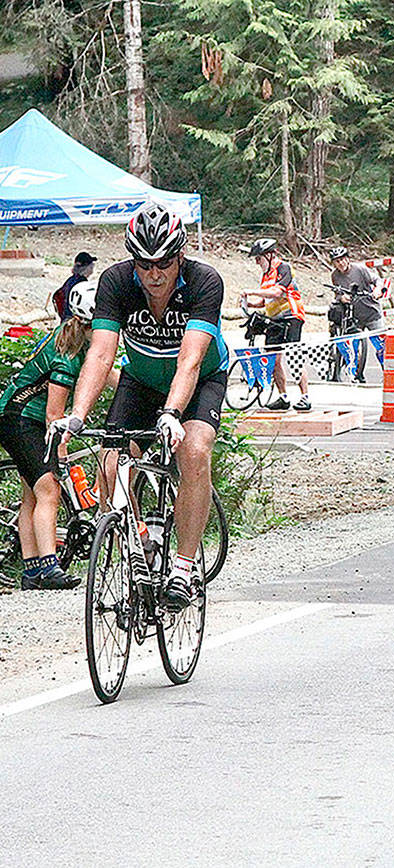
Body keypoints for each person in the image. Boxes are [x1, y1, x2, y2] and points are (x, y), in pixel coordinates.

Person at [49, 200, 229, 612]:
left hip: (199, 380)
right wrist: (75, 416)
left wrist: (172, 414)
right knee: (110, 464)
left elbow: (191, 360)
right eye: (144, 262)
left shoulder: (205, 282)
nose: (154, 272)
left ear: (180, 254)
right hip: (143, 380)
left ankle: (183, 567)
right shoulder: (116, 283)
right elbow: (99, 356)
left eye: (163, 261)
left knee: (195, 451)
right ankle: (141, 541)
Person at [0, 282, 105, 590]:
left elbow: (106, 372)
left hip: (20, 417)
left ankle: (31, 571)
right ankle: (49, 567)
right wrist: (59, 449)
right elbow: (54, 415)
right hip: (19, 419)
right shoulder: (67, 353)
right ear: (92, 322)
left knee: (32, 495)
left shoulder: (81, 340)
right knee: (49, 490)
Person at [243, 238, 310, 411]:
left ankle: (305, 396)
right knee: (272, 357)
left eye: (259, 258)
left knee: (294, 356)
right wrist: (250, 303)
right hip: (274, 318)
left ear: (271, 255)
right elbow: (266, 300)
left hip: (292, 315)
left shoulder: (283, 268)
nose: (257, 262)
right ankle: (283, 396)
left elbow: (277, 291)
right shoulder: (265, 275)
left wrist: (252, 291)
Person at [328, 246, 384, 382]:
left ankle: (388, 372)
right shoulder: (335, 275)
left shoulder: (359, 269)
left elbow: (377, 280)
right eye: (337, 261)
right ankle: (356, 373)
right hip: (353, 315)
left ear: (347, 259)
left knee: (381, 345)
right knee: (353, 346)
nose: (340, 263)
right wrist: (341, 298)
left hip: (371, 311)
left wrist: (377, 290)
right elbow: (337, 293)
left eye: (342, 260)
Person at [50, 252, 96, 322]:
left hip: (65, 317)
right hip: (72, 318)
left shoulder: (71, 279)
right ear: (87, 267)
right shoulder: (82, 284)